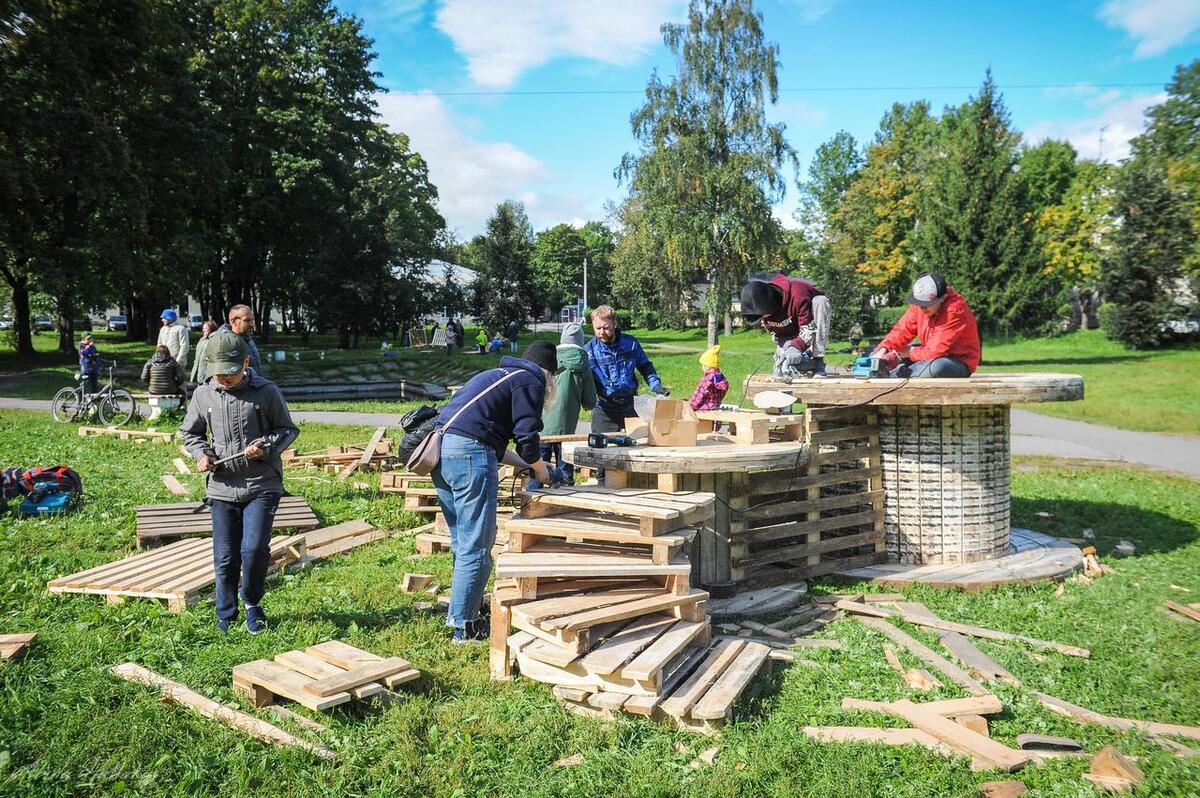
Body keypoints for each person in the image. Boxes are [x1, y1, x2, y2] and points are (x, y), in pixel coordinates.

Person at [432, 340, 557, 643]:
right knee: (478, 545)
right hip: (469, 456)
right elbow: (527, 439)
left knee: (463, 541)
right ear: (551, 375)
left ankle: (459, 614)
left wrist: (527, 466)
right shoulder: (532, 380)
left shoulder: (499, 375)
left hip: (441, 452)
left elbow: (484, 438)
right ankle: (465, 627)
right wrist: (543, 472)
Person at [181, 331, 299, 634]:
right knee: (224, 556)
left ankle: (252, 603)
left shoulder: (267, 391)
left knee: (254, 549)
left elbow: (287, 430)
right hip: (221, 487)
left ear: (246, 362)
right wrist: (200, 454)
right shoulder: (202, 394)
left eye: (230, 373)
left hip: (262, 483)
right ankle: (226, 614)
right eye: (218, 373)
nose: (224, 379)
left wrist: (266, 446)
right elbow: (190, 434)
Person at [873, 272, 980, 378]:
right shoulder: (919, 304)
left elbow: (935, 351)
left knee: (936, 367)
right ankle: (892, 372)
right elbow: (902, 330)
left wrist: (909, 352)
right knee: (877, 354)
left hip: (957, 361)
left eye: (927, 304)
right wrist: (884, 349)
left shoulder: (954, 310)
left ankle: (894, 375)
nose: (922, 308)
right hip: (929, 354)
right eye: (919, 303)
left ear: (943, 298)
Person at [584, 305, 668, 439]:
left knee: (637, 447)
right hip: (604, 410)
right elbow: (583, 381)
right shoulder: (589, 352)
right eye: (597, 328)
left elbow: (646, 367)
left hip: (630, 407)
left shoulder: (631, 344)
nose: (602, 332)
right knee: (602, 452)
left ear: (615, 324)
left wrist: (656, 385)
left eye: (606, 327)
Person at [529, 323, 596, 489]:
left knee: (538, 469)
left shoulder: (547, 358)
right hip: (567, 427)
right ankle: (564, 501)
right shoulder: (583, 364)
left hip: (541, 425)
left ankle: (531, 502)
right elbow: (589, 400)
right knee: (564, 470)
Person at [739, 273, 832, 377]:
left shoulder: (798, 293)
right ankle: (804, 362)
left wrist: (796, 347)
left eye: (764, 315)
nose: (764, 318)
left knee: (820, 301)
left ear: (771, 304)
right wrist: (784, 349)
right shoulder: (764, 309)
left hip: (811, 323)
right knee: (784, 360)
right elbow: (776, 332)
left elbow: (808, 328)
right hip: (793, 329)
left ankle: (818, 361)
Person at [218, 304, 263, 373]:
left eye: (252, 320)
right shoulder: (226, 343)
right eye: (247, 320)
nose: (252, 324)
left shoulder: (248, 339)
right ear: (233, 321)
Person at [688, 345, 729, 412]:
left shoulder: (707, 380)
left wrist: (689, 407)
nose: (701, 367)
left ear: (707, 366)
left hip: (704, 411)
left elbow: (699, 397)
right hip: (716, 410)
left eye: (702, 365)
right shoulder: (722, 378)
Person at [190, 320, 218, 385]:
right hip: (200, 370)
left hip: (209, 372)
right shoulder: (202, 339)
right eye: (203, 328)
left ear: (211, 329)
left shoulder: (215, 339)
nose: (203, 330)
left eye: (205, 328)